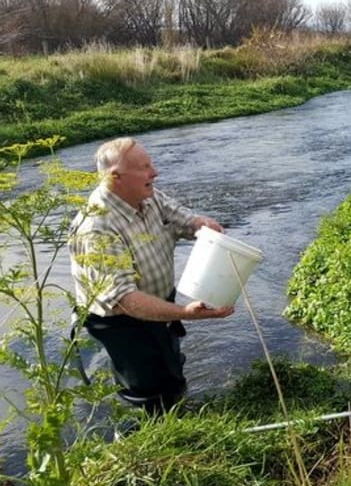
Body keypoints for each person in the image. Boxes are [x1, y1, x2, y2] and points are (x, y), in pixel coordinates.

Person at [69, 137, 233, 415]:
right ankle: (147, 441)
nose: (154, 172)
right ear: (115, 178)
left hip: (158, 304)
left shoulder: (147, 196)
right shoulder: (96, 227)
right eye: (145, 167)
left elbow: (183, 220)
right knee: (146, 391)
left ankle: (175, 415)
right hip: (121, 322)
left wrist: (202, 226)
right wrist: (185, 312)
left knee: (171, 370)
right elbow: (125, 300)